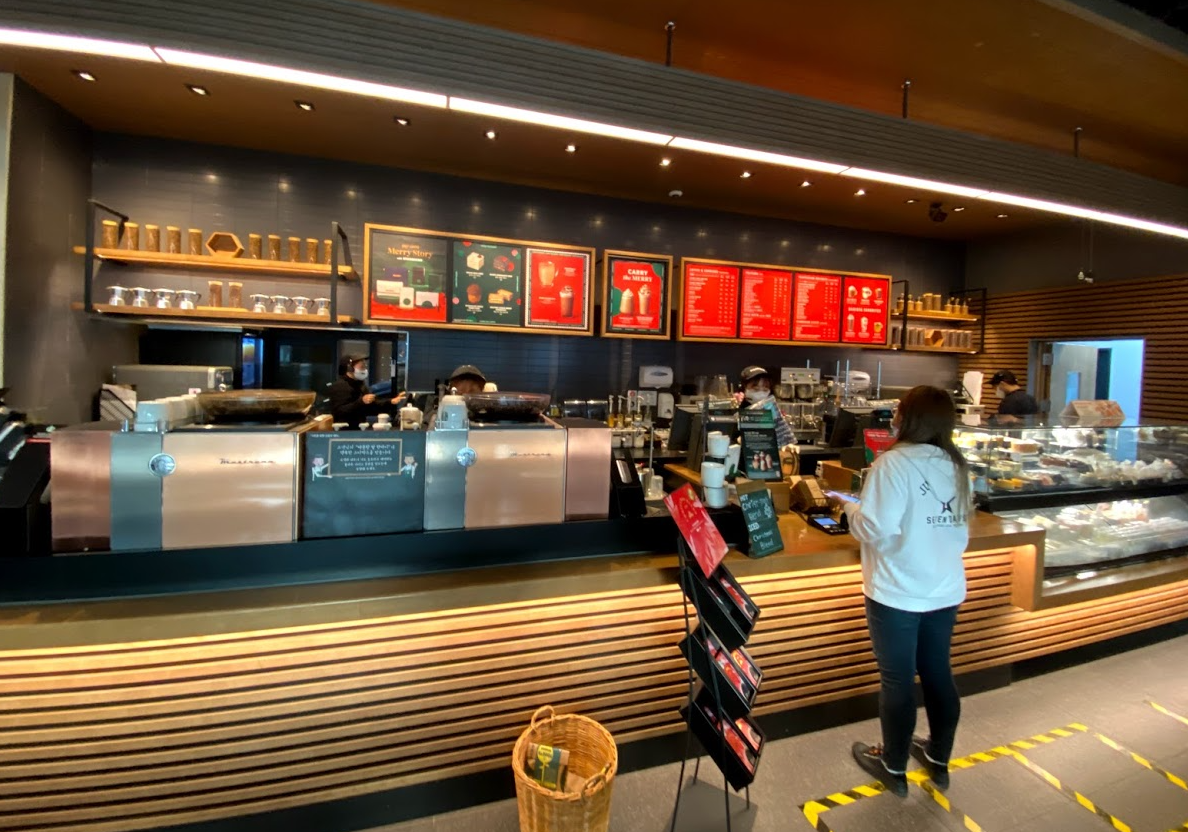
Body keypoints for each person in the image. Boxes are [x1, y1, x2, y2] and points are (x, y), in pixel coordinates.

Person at [835, 385, 971, 797]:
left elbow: (875, 527)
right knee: (937, 672)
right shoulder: (956, 464)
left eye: (898, 408)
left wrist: (849, 508)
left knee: (897, 680)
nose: (892, 414)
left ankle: (893, 765)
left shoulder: (893, 463)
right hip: (944, 588)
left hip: (897, 590)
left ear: (910, 417)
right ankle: (938, 759)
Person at [327, 355, 406, 428]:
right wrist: (361, 401)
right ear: (350, 369)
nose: (364, 370)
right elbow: (340, 411)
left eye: (365, 367)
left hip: (359, 427)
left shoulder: (360, 384)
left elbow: (372, 405)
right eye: (362, 367)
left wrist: (390, 401)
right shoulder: (340, 386)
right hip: (343, 430)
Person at [739, 366, 795, 450]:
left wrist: (786, 444)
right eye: (756, 389)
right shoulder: (738, 413)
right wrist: (739, 440)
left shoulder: (772, 410)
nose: (761, 393)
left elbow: (781, 435)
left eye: (765, 390)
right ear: (744, 388)